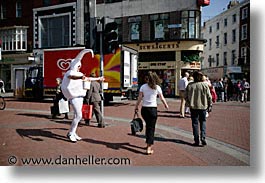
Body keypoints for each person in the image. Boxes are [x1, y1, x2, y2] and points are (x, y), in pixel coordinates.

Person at [61, 49, 103, 142]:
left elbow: (87, 78)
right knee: (79, 115)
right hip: (74, 97)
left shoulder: (79, 73)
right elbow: (72, 76)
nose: (79, 67)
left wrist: (98, 78)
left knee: (78, 115)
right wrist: (87, 51)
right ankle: (71, 133)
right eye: (78, 65)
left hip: (80, 97)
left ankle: (73, 132)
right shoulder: (70, 72)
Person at [135, 71, 169, 155]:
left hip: (144, 109)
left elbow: (139, 98)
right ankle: (149, 147)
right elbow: (162, 98)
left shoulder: (143, 87)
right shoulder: (157, 87)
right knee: (151, 128)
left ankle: (147, 144)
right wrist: (166, 105)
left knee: (148, 126)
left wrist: (136, 106)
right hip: (153, 109)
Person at [185, 71, 212, 146]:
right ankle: (203, 137)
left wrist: (189, 103)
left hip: (193, 107)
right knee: (203, 122)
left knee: (195, 123)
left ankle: (196, 140)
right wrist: (210, 105)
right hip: (203, 106)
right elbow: (209, 96)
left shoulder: (190, 85)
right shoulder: (204, 85)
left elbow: (185, 96)